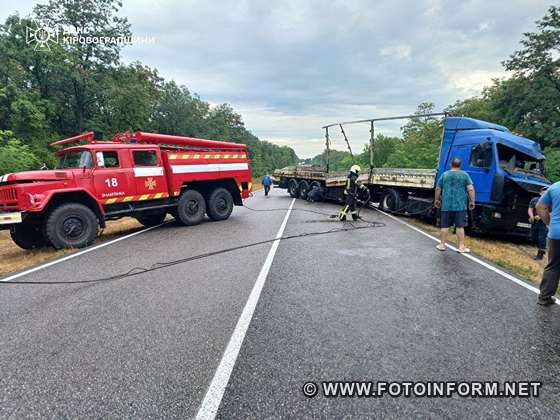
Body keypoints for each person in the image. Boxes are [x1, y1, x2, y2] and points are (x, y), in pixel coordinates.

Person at [434, 157, 476, 253]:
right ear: (460, 165)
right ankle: (461, 247)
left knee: (444, 226)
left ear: (451, 164)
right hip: (460, 206)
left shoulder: (444, 175)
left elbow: (438, 188)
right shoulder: (465, 175)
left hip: (446, 205)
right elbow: (470, 189)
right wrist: (472, 201)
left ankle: (442, 245)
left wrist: (437, 200)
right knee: (460, 226)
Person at [536, 181, 560, 305]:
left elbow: (540, 206)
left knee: (553, 266)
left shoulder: (555, 187)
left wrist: (549, 223)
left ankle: (544, 297)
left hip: (556, 233)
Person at [528, 187, 548, 260]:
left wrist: (541, 216)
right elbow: (530, 209)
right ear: (540, 193)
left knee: (541, 238)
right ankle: (541, 249)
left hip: (544, 222)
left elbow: (551, 212)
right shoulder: (534, 200)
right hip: (535, 222)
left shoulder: (550, 202)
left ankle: (540, 254)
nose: (544, 194)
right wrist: (532, 216)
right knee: (533, 237)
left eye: (546, 193)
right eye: (543, 192)